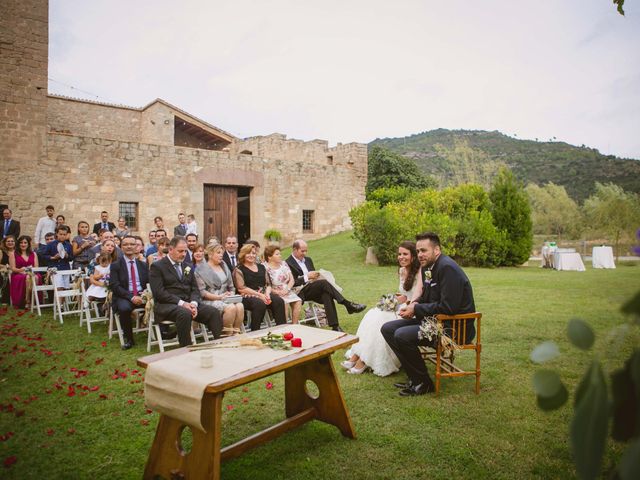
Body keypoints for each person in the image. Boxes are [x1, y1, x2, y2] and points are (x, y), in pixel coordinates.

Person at [381, 232, 476, 397]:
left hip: (452, 328)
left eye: (424, 250)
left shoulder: (447, 268)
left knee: (402, 335)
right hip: (434, 321)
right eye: (418, 251)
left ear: (437, 250)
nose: (420, 255)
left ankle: (424, 383)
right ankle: (415, 377)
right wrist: (414, 304)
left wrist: (416, 310)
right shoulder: (428, 266)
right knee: (388, 328)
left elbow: (448, 307)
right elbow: (428, 296)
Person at [343, 242, 422, 376]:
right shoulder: (402, 270)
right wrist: (389, 302)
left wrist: (402, 305)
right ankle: (357, 355)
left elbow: (416, 296)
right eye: (399, 254)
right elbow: (405, 295)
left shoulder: (420, 272)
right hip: (403, 305)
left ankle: (363, 361)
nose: (401, 257)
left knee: (382, 319)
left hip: (412, 310)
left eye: (405, 254)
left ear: (413, 256)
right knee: (373, 314)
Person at [149, 236, 223, 347]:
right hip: (167, 305)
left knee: (213, 312)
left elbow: (195, 289)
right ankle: (186, 349)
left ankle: (220, 345)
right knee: (184, 313)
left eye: (185, 251)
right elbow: (159, 293)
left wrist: (193, 303)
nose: (184, 254)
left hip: (189, 304)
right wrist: (182, 304)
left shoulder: (187, 266)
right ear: (170, 249)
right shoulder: (157, 266)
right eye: (180, 251)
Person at [285, 239, 365, 332]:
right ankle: (347, 304)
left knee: (326, 294)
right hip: (299, 291)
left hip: (313, 288)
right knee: (324, 284)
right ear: (295, 249)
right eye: (302, 251)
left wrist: (316, 276)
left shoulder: (308, 260)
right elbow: (292, 282)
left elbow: (314, 274)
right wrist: (306, 277)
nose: (305, 253)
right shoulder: (288, 263)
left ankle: (335, 326)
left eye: (306, 251)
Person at [233, 244, 286, 331]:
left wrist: (267, 294)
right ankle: (255, 331)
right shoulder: (239, 269)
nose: (251, 255)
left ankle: (282, 329)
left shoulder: (261, 267)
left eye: (253, 253)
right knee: (259, 304)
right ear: (243, 254)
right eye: (248, 253)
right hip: (247, 296)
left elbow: (268, 284)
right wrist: (259, 295)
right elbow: (241, 288)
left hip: (263, 293)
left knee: (278, 301)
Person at [110, 235, 150, 349]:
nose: (129, 247)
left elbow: (149, 282)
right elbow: (115, 286)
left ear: (137, 247)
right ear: (121, 247)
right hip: (124, 296)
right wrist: (132, 297)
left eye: (132, 244)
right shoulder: (115, 265)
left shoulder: (143, 265)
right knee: (124, 308)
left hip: (142, 295)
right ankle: (129, 339)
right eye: (125, 244)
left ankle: (162, 332)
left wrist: (145, 294)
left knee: (159, 303)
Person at [195, 243, 244, 336]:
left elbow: (231, 286)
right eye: (218, 253)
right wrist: (219, 297)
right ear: (210, 254)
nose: (221, 255)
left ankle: (236, 333)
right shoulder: (200, 270)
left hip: (226, 297)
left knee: (240, 306)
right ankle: (226, 335)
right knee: (231, 308)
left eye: (222, 253)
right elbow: (202, 292)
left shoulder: (224, 265)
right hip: (209, 299)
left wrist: (231, 294)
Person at [264, 245, 302, 323]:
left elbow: (292, 280)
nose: (280, 256)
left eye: (280, 254)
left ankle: (294, 325)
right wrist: (277, 292)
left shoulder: (284, 264)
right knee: (284, 302)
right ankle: (284, 326)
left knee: (298, 301)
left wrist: (287, 289)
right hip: (273, 291)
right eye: (277, 254)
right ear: (269, 257)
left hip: (286, 289)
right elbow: (266, 285)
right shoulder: (265, 267)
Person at [8, 235, 41, 308]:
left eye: (25, 243)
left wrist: (30, 271)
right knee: (27, 278)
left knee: (35, 277)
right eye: (21, 243)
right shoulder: (13, 254)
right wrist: (21, 270)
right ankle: (27, 301)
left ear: (28, 244)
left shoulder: (34, 254)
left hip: (32, 272)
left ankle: (31, 299)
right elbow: (13, 268)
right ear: (18, 244)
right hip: (18, 274)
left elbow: (36, 267)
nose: (23, 244)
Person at [1, 235, 17, 305]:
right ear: (4, 242)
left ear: (15, 242)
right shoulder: (1, 251)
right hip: (4, 270)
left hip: (16, 270)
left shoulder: (17, 252)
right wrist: (6, 266)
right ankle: (5, 298)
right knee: (7, 275)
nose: (10, 243)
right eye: (8, 241)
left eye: (12, 241)